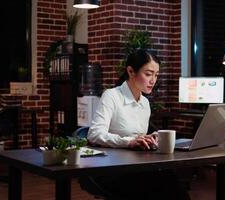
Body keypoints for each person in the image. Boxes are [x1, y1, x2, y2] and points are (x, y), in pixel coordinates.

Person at [82, 49, 191, 200]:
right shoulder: (112, 96)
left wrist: (149, 138)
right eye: (148, 74)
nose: (153, 80)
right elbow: (94, 134)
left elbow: (137, 135)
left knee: (167, 177)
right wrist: (129, 142)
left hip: (137, 165)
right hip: (112, 168)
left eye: (156, 74)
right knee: (161, 182)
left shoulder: (145, 103)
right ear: (131, 71)